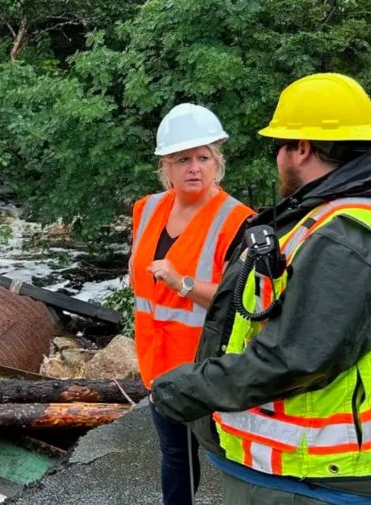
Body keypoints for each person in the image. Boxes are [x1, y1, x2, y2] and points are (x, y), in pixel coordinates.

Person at [150, 73, 371, 505]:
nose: (193, 167)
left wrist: (190, 387)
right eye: (181, 159)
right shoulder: (319, 217)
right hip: (277, 458)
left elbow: (298, 356)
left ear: (301, 148)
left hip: (311, 474)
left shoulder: (341, 233)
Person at [130, 103, 254, 505]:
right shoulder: (147, 209)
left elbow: (243, 298)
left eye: (203, 157)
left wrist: (182, 282)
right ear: (165, 164)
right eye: (183, 159)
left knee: (233, 456)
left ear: (216, 161)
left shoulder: (237, 219)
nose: (194, 167)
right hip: (158, 363)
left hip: (209, 364)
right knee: (175, 455)